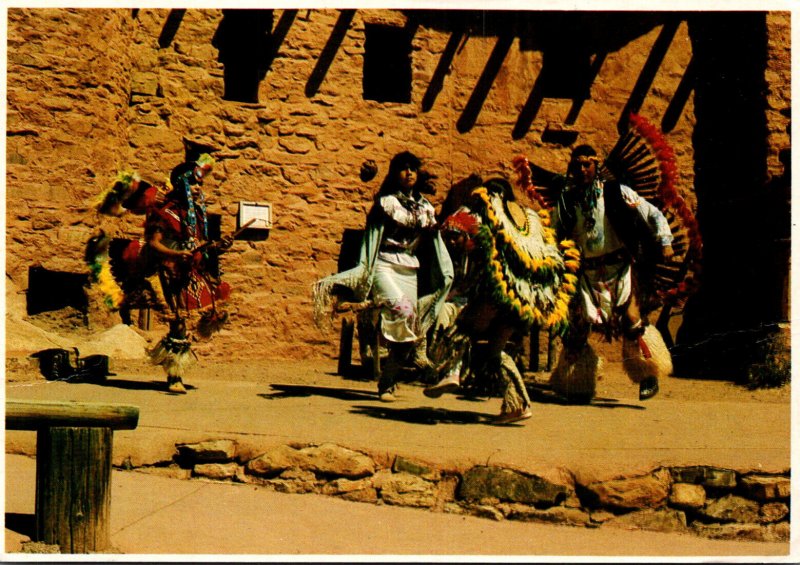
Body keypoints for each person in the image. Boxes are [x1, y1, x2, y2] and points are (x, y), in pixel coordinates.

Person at [423, 177, 579, 424]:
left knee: (464, 327)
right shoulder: (528, 220)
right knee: (495, 352)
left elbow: (464, 228)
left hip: (500, 295)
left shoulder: (491, 216)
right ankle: (517, 405)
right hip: (524, 302)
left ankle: (451, 373)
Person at [313, 151, 453, 402]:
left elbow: (434, 245)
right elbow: (371, 241)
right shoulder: (386, 203)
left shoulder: (426, 208)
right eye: (403, 168)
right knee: (404, 311)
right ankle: (421, 365)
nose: (409, 172)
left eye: (413, 168)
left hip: (410, 268)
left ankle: (387, 382)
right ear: (394, 173)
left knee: (410, 327)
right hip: (384, 265)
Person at [550, 144, 674, 403]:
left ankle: (648, 374)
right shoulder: (567, 200)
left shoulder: (616, 191)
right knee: (578, 328)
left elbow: (651, 212)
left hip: (621, 269)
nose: (582, 169)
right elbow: (554, 233)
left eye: (588, 164)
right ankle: (576, 384)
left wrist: (665, 241)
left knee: (632, 320)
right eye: (578, 165)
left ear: (596, 166)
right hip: (586, 273)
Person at [145, 151, 233, 393]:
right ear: (183, 182)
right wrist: (175, 255)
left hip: (192, 269)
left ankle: (176, 369)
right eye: (193, 183)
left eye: (199, 184)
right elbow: (154, 243)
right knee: (178, 321)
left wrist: (217, 247)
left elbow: (199, 245)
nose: (198, 188)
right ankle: (174, 376)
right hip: (169, 270)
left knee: (204, 313)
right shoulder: (165, 212)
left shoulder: (197, 215)